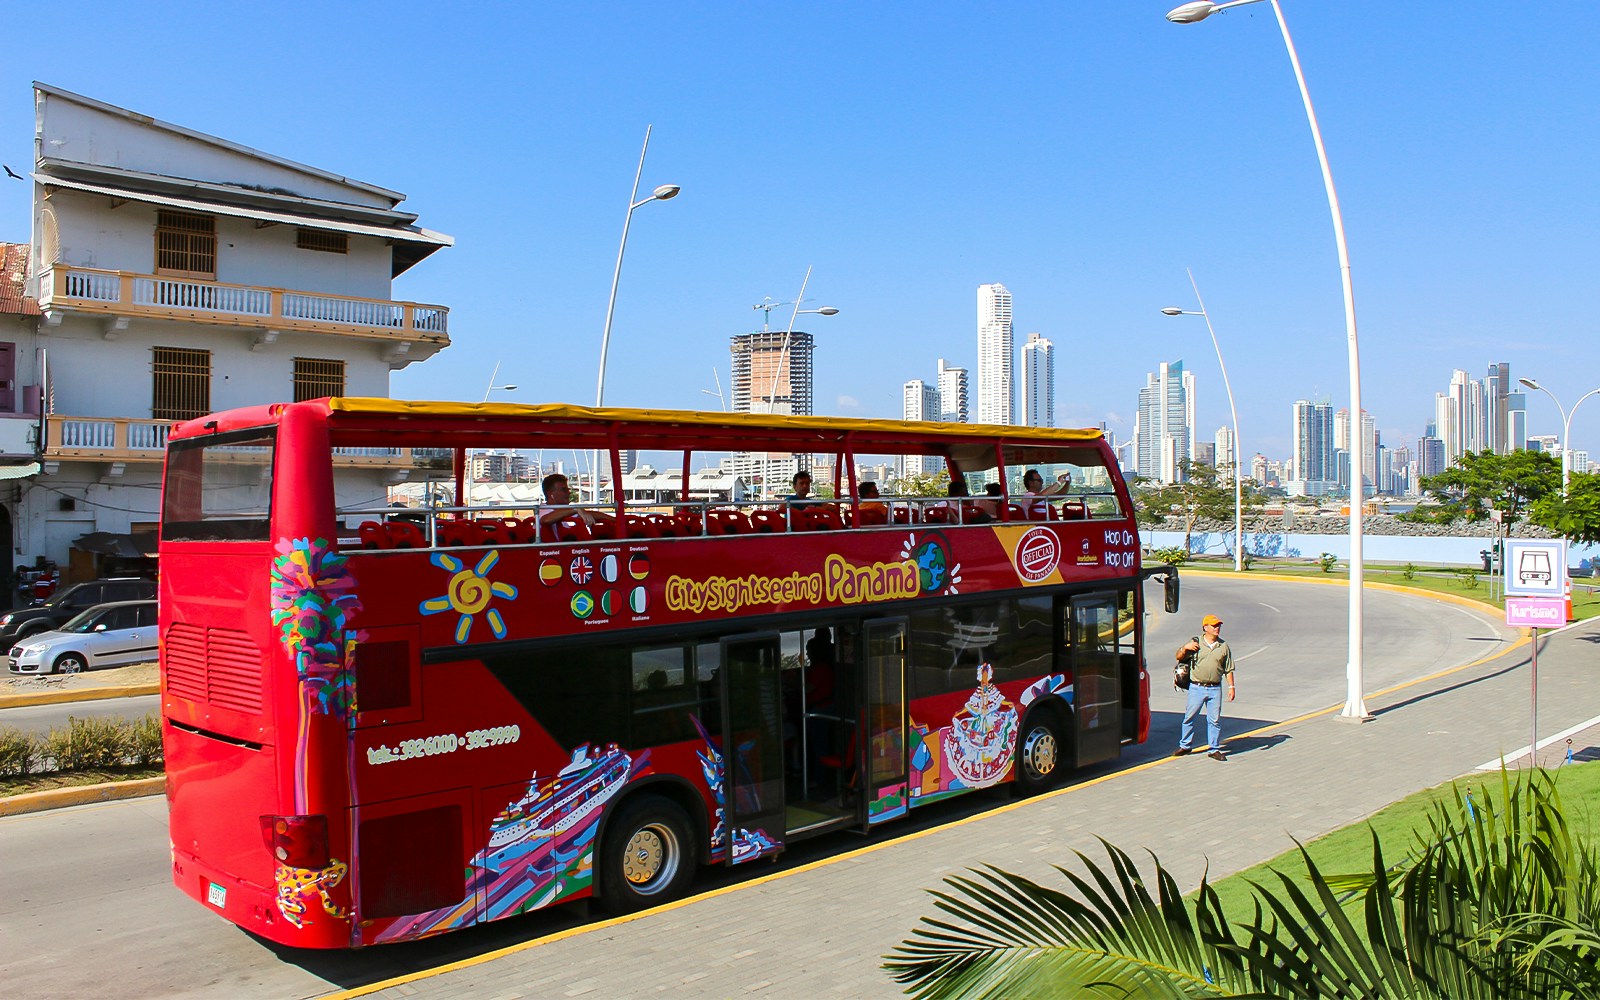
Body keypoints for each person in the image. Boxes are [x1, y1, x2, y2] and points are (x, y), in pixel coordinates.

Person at [1173, 613, 1235, 761]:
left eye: (1218, 625)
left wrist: (1231, 687)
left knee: (1214, 720)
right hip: (1197, 688)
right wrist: (1185, 647)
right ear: (1205, 627)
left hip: (1215, 688)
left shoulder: (1223, 646)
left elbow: (1229, 669)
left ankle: (1214, 749)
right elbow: (1179, 657)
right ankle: (1185, 745)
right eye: (1214, 626)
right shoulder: (1196, 643)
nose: (1217, 628)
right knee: (1190, 717)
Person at [538, 473, 593, 540]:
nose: (568, 492)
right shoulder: (543, 510)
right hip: (556, 549)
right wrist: (575, 509)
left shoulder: (564, 511)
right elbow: (545, 520)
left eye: (568, 489)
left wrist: (609, 518)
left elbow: (589, 515)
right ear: (550, 494)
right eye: (564, 490)